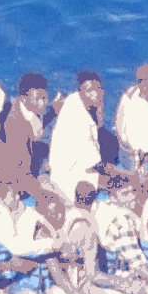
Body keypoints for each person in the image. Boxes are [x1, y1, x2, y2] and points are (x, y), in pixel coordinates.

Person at [46, 73, 104, 206]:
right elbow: (96, 165)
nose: (94, 94)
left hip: (69, 172)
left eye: (98, 89)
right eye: (89, 90)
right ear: (81, 91)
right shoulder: (79, 124)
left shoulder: (74, 100)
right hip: (71, 187)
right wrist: (130, 178)